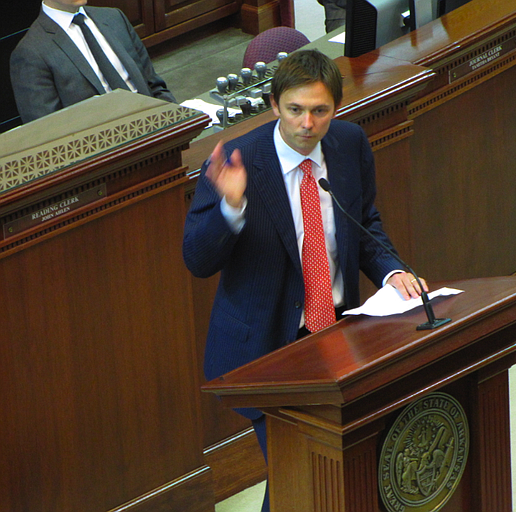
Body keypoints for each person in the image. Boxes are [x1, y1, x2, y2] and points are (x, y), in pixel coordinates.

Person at [182, 49, 426, 512]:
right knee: (306, 472)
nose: (307, 124)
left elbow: (364, 223)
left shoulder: (350, 143)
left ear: (336, 108)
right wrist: (230, 208)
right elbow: (197, 260)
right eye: (295, 110)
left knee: (324, 469)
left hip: (337, 334)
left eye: (320, 111)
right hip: (267, 348)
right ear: (274, 105)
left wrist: (393, 272)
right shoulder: (238, 162)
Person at [10, 0, 175, 124]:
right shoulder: (30, 53)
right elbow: (48, 132)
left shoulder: (113, 17)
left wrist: (175, 120)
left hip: (154, 127)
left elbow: (154, 85)